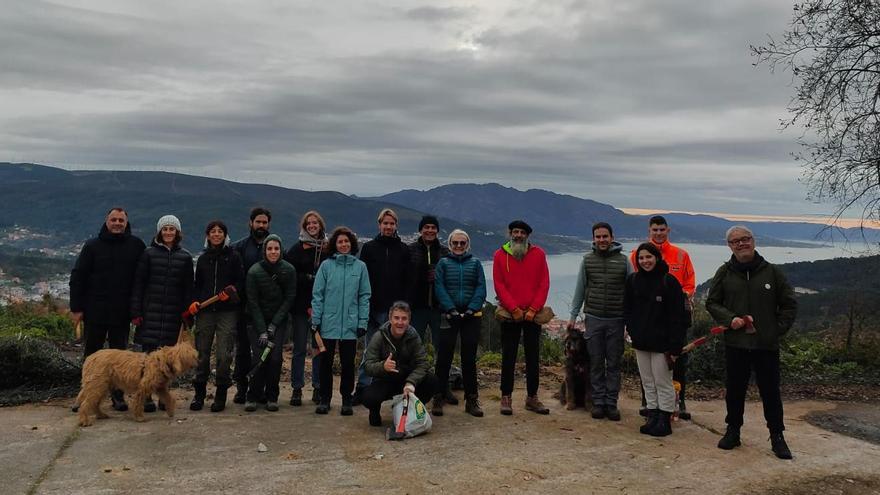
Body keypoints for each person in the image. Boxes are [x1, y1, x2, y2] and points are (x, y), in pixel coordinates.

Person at [706, 226, 797, 460]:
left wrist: (774, 331)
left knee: (770, 392)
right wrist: (729, 319)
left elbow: (789, 305)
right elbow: (712, 302)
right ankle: (733, 431)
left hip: (766, 345)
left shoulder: (773, 273)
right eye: (735, 241)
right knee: (735, 391)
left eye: (745, 239)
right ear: (730, 246)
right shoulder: (724, 273)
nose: (741, 244)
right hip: (736, 344)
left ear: (753, 241)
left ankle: (777, 436)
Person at [69, 207, 146, 412]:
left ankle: (117, 397)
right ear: (107, 221)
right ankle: (84, 398)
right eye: (114, 220)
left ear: (126, 223)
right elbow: (78, 277)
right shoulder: (92, 246)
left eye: (121, 220)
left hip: (121, 313)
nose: (118, 223)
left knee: (120, 358)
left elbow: (142, 278)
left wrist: (137, 309)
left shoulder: (136, 245)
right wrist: (76, 307)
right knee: (92, 356)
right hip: (95, 310)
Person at [630, 215, 696, 420]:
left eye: (661, 229)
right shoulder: (637, 254)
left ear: (668, 230)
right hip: (647, 320)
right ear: (649, 231)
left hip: (673, 318)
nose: (658, 233)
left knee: (675, 361)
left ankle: (679, 402)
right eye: (654, 230)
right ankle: (649, 405)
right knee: (649, 369)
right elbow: (635, 285)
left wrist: (679, 297)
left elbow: (689, 282)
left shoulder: (680, 254)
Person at [567, 222, 632, 421]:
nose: (602, 240)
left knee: (613, 363)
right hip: (593, 318)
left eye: (605, 236)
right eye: (598, 237)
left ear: (612, 238)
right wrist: (573, 315)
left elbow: (632, 292)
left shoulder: (623, 261)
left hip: (616, 318)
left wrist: (630, 320)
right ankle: (597, 402)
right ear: (594, 239)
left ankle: (611, 404)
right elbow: (580, 289)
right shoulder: (587, 260)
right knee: (595, 362)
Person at [130, 215, 193, 412]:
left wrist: (187, 314)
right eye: (165, 229)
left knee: (167, 362)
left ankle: (162, 396)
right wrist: (136, 311)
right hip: (150, 313)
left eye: (171, 229)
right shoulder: (148, 254)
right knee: (147, 360)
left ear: (177, 232)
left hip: (173, 316)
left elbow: (188, 289)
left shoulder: (185, 257)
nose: (168, 232)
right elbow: (138, 285)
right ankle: (145, 396)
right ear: (159, 232)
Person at [624, 242, 686, 437]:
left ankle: (664, 419)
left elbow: (678, 317)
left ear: (657, 257)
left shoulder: (669, 282)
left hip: (663, 344)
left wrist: (675, 346)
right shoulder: (633, 281)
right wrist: (632, 330)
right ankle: (652, 416)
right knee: (647, 381)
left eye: (648, 257)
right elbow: (628, 309)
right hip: (641, 341)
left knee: (663, 381)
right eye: (641, 258)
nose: (645, 261)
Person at [310, 227, 371, 416]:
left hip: (351, 324)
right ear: (334, 245)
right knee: (325, 363)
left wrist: (362, 322)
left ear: (352, 244)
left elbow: (364, 296)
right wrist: (316, 321)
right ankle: (325, 399)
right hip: (328, 322)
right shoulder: (326, 266)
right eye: (340, 242)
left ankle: (346, 399)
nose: (343, 244)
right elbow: (317, 295)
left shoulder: (360, 267)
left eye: (346, 241)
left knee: (347, 363)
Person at [493, 220, 551, 415]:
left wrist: (534, 309)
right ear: (510, 233)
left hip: (532, 315)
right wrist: (514, 308)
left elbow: (544, 282)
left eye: (522, 232)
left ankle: (532, 397)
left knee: (533, 356)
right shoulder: (500, 255)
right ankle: (506, 396)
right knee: (508, 356)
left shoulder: (539, 254)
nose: (518, 235)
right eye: (515, 232)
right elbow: (499, 285)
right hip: (511, 315)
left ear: (528, 235)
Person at [354, 208, 411, 404]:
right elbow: (362, 279)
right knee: (370, 351)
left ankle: (387, 389)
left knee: (393, 353)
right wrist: (365, 306)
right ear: (379, 225)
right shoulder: (369, 248)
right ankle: (362, 388)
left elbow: (407, 281)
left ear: (396, 225)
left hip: (394, 312)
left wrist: (403, 307)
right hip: (372, 307)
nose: (388, 226)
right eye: (385, 223)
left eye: (391, 223)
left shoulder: (404, 250)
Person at [187, 220, 244, 413]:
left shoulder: (234, 257)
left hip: (227, 312)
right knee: (201, 354)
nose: (217, 234)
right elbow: (197, 284)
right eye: (213, 231)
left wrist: (232, 291)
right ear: (208, 235)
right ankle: (199, 395)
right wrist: (195, 301)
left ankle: (220, 396)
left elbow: (241, 282)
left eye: (220, 231)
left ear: (225, 235)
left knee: (224, 355)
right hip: (205, 311)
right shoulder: (203, 259)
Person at [433, 229, 486, 417]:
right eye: (455, 243)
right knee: (444, 358)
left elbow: (481, 287)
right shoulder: (443, 263)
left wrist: (471, 309)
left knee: (469, 359)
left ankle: (472, 400)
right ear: (449, 244)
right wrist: (451, 309)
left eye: (462, 243)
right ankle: (438, 397)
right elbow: (439, 287)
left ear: (467, 245)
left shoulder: (476, 263)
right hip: (449, 315)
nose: (458, 246)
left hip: (472, 317)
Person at [362, 301, 437, 427]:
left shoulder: (413, 336)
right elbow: (368, 365)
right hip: (386, 379)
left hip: (406, 379)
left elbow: (423, 363)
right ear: (390, 319)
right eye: (396, 318)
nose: (400, 322)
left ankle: (416, 408)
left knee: (432, 380)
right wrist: (383, 366)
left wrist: (411, 382)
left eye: (404, 319)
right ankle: (374, 411)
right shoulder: (379, 336)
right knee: (368, 397)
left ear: (409, 320)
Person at [244, 234, 296, 412]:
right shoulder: (254, 272)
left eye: (276, 248)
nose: (273, 252)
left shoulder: (288, 270)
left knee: (275, 359)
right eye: (269, 248)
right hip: (256, 321)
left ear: (281, 250)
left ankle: (272, 396)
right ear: (264, 251)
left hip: (279, 322)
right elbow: (253, 302)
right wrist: (262, 330)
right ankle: (253, 396)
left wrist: (274, 325)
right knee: (259, 357)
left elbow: (289, 298)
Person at [407, 215, 454, 404]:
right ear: (420, 230)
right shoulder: (410, 250)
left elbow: (450, 279)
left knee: (442, 350)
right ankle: (413, 386)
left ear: (437, 230)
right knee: (413, 349)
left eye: (433, 227)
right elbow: (405, 277)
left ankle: (443, 388)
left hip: (439, 308)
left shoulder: (444, 252)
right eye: (426, 227)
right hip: (417, 307)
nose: (430, 230)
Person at [284, 210, 329, 406]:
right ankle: (297, 388)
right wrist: (309, 278)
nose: (312, 226)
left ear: (320, 226)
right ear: (304, 226)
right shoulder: (296, 250)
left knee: (319, 348)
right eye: (308, 223)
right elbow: (290, 277)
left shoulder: (328, 249)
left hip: (322, 307)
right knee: (300, 348)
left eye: (315, 223)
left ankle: (318, 387)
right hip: (301, 307)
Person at [231, 207, 272, 404]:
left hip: (266, 310)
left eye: (264, 223)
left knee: (263, 351)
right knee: (242, 350)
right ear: (251, 223)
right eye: (258, 222)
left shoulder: (274, 247)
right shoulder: (239, 247)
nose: (261, 226)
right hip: (243, 308)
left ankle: (260, 389)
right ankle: (241, 387)